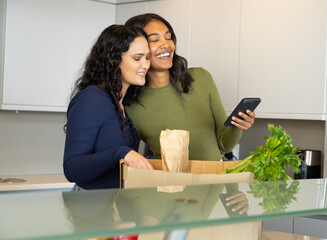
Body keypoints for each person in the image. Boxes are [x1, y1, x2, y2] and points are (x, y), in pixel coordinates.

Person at [124, 14, 255, 161]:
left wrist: (238, 125)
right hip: (168, 182)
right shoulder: (131, 106)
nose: (166, 44)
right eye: (154, 40)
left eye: (168, 37)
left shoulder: (201, 78)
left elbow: (225, 144)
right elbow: (129, 159)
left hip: (212, 181)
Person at [63, 25, 153, 191]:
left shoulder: (120, 102)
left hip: (114, 207)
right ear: (113, 60)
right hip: (89, 209)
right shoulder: (91, 99)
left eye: (147, 58)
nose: (146, 65)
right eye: (137, 58)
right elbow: (72, 169)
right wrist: (120, 153)